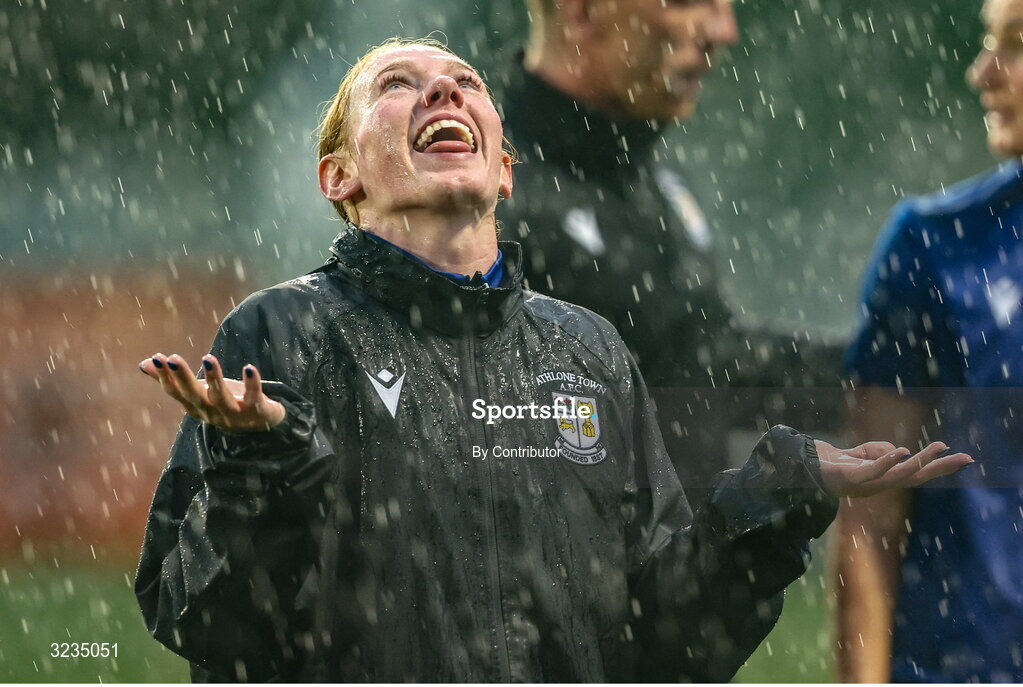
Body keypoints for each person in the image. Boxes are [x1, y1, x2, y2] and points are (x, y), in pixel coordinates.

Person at [133, 38, 971, 682]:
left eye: (466, 84)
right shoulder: (279, 333)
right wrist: (257, 468)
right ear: (338, 177)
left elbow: (663, 642)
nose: (441, 89)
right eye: (396, 85)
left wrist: (776, 492)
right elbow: (205, 624)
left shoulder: (589, 349)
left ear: (504, 170)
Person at [498, 0, 844, 491]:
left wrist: (891, 363)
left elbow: (707, 365)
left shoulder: (655, 177)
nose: (724, 30)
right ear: (579, 10)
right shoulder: (479, 195)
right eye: (688, 2)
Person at [838, 0, 1023, 680]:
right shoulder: (934, 247)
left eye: (1017, 43)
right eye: (987, 42)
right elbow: (870, 518)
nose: (983, 72)